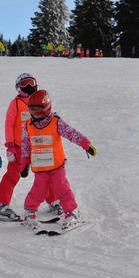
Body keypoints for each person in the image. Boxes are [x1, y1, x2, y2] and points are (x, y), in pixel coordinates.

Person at [20, 90, 96, 230]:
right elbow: (25, 144)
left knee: (62, 188)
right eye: (32, 110)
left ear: (46, 108)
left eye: (38, 110)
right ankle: (30, 212)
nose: (34, 113)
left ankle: (72, 212)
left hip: (56, 165)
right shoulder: (28, 125)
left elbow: (71, 133)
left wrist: (85, 143)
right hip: (40, 167)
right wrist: (24, 162)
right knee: (38, 190)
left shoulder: (56, 122)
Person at [0, 73, 61, 220]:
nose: (28, 87)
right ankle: (0, 204)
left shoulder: (40, 101)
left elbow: (48, 119)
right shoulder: (15, 103)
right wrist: (10, 146)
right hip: (19, 147)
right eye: (24, 84)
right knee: (13, 175)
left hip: (38, 147)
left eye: (31, 83)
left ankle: (53, 200)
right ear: (18, 88)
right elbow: (9, 124)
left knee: (45, 174)